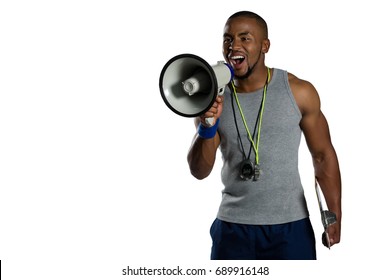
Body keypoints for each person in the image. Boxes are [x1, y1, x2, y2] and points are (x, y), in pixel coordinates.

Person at [187, 11, 342, 260]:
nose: (233, 46)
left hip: (290, 227)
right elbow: (199, 170)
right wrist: (207, 125)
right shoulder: (211, 98)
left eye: (244, 38)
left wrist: (333, 215)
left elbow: (323, 155)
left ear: (264, 46)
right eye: (227, 39)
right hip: (232, 227)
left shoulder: (298, 91)